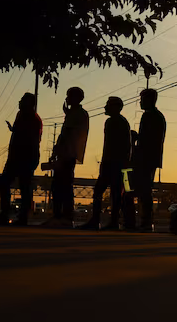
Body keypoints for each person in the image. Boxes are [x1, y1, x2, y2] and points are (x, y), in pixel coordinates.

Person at [80, 97, 130, 231]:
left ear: (115, 107)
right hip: (114, 163)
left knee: (105, 192)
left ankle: (102, 220)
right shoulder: (118, 122)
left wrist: (109, 162)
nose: (105, 107)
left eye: (108, 105)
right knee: (113, 193)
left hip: (113, 163)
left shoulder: (115, 122)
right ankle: (108, 221)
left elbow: (115, 145)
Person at [0, 93, 43, 226]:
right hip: (15, 156)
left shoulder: (33, 119)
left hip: (25, 156)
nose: (19, 102)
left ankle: (21, 217)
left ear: (30, 103)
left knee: (23, 186)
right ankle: (7, 214)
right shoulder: (21, 115)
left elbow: (30, 139)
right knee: (7, 183)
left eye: (22, 100)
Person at [45, 86, 89, 226]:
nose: (67, 99)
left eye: (69, 96)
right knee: (62, 185)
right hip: (68, 154)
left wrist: (56, 152)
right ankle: (62, 216)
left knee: (61, 186)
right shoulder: (76, 113)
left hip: (67, 154)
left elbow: (66, 135)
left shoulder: (76, 114)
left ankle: (62, 216)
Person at [123, 88, 166, 232]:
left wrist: (136, 138)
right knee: (144, 190)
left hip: (144, 160)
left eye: (142, 100)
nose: (140, 103)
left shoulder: (150, 116)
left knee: (135, 189)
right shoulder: (157, 116)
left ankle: (138, 221)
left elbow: (148, 140)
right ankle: (143, 221)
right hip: (149, 159)